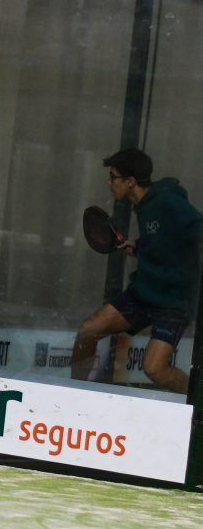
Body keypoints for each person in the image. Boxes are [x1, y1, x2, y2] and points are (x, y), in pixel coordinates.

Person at [71, 148, 203, 393]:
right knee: (88, 331)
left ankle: (198, 402)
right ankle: (73, 392)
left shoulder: (167, 201)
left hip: (174, 302)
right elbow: (165, 237)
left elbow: (196, 229)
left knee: (155, 369)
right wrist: (140, 246)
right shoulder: (144, 206)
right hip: (143, 294)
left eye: (113, 177)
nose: (109, 182)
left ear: (130, 181)